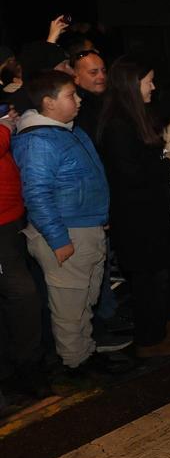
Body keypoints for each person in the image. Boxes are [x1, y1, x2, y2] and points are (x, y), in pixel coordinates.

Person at [11, 71, 129, 376]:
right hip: (66, 232)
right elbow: (37, 195)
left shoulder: (64, 131)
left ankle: (85, 352)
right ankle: (75, 363)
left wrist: (99, 217)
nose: (78, 100)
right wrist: (58, 239)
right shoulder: (39, 140)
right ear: (49, 103)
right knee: (69, 306)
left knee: (84, 299)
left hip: (84, 228)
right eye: (70, 95)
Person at [97, 56, 170, 357]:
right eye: (148, 82)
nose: (153, 87)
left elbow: (163, 111)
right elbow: (131, 175)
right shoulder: (118, 125)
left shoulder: (136, 115)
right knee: (149, 281)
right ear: (132, 85)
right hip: (136, 220)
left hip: (153, 215)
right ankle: (150, 341)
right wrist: (165, 163)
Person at [0, 106, 51, 399]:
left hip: (11, 219)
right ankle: (22, 370)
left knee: (22, 295)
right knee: (22, 294)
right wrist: (5, 127)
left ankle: (23, 368)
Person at [71, 50, 107, 139]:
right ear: (76, 77)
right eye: (93, 72)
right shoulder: (75, 108)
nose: (102, 76)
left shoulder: (110, 99)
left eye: (104, 71)